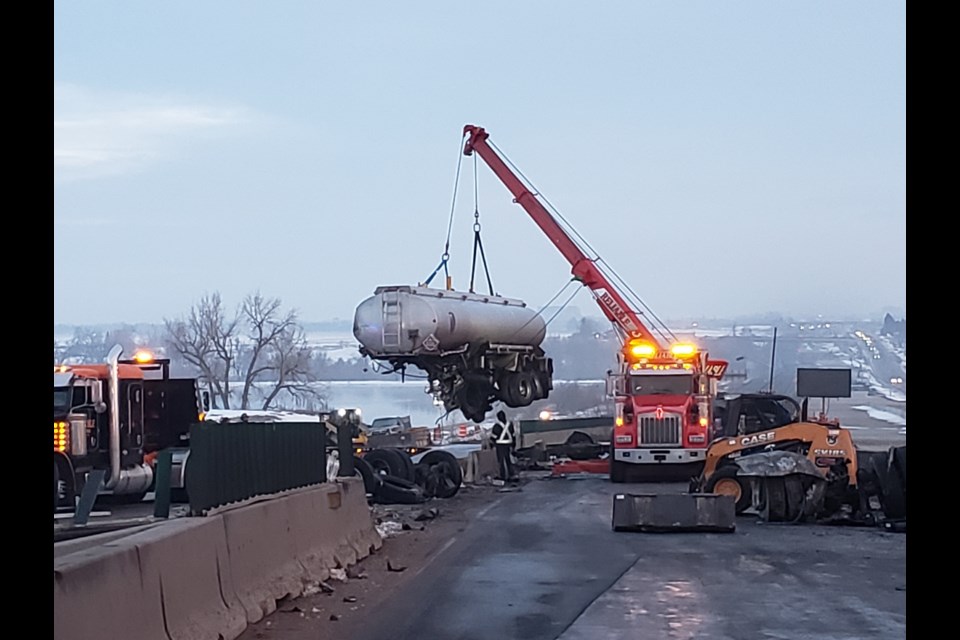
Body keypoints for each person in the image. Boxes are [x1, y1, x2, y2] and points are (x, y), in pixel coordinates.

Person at [490, 410, 518, 482]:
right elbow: (513, 435)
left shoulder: (497, 426)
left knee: (501, 461)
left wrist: (491, 445)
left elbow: (493, 437)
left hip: (500, 445)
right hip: (509, 444)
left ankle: (503, 476)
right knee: (509, 460)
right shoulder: (510, 425)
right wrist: (513, 445)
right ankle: (511, 475)